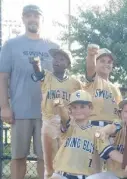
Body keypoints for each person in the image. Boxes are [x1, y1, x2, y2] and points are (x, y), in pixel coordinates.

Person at [0, 4, 59, 179]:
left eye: (36, 16)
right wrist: (4, 106)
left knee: (46, 158)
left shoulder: (54, 46)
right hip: (20, 110)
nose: (32, 19)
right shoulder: (11, 45)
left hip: (47, 113)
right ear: (23, 19)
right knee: (18, 157)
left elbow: (60, 80)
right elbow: (2, 77)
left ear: (42, 19)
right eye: (28, 16)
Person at [30, 48, 82, 178]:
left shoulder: (75, 83)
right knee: (50, 163)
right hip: (49, 121)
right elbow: (38, 73)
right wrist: (35, 64)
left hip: (68, 124)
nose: (57, 61)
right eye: (55, 58)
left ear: (68, 64)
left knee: (67, 160)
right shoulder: (47, 76)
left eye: (61, 59)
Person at [50, 90, 125, 179]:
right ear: (70, 110)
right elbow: (64, 118)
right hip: (61, 175)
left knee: (112, 176)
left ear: (91, 108)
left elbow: (118, 123)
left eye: (82, 107)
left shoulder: (98, 131)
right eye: (74, 107)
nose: (78, 110)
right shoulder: (69, 127)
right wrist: (60, 107)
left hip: (87, 177)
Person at [85, 46, 122, 126]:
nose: (106, 64)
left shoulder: (115, 88)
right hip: (92, 126)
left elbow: (120, 112)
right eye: (102, 61)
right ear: (95, 63)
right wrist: (91, 56)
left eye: (109, 62)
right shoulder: (93, 80)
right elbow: (90, 68)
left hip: (111, 129)